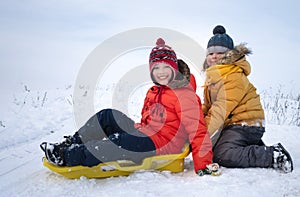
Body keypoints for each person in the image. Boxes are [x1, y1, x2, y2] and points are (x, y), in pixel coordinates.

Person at [40, 38, 216, 176]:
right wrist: (136, 131)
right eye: (156, 68)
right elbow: (147, 119)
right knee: (108, 116)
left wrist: (204, 164)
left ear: (174, 68)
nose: (161, 72)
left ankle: (67, 156)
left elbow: (198, 131)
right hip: (147, 133)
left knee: (119, 142)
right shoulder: (154, 90)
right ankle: (72, 142)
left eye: (166, 67)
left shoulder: (184, 95)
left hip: (162, 144)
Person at [201, 25, 293, 173]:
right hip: (233, 124)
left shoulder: (232, 76)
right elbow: (208, 106)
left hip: (246, 124)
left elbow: (219, 111)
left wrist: (199, 133)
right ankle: (250, 146)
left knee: (221, 154)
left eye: (220, 52)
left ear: (229, 55)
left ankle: (273, 155)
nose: (214, 56)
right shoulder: (213, 77)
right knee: (209, 149)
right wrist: (192, 121)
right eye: (211, 53)